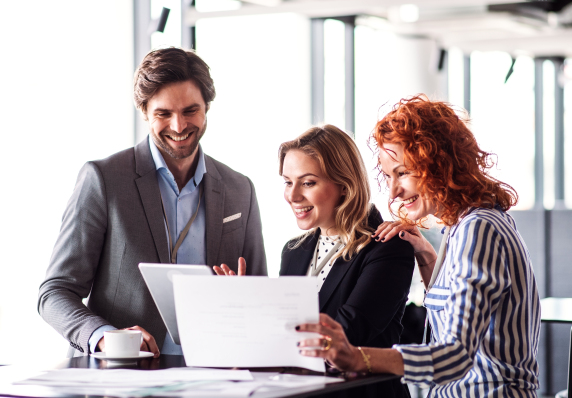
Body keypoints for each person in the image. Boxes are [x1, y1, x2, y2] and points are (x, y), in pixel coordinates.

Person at [296, 96, 541, 397]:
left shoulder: (479, 229)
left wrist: (357, 356)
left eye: (403, 172)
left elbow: (455, 354)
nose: (394, 191)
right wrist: (426, 255)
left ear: (439, 164)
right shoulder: (464, 226)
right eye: (388, 176)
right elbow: (454, 314)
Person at [38, 47, 267, 358]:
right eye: (163, 113)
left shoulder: (240, 189)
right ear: (144, 111)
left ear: (207, 108)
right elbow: (54, 293)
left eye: (190, 111)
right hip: (121, 376)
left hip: (215, 374)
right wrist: (106, 337)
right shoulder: (104, 179)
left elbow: (261, 296)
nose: (178, 126)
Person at [217, 125, 415, 398]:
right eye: (288, 182)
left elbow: (344, 336)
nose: (293, 195)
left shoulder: (386, 249)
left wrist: (264, 323)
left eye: (308, 182)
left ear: (344, 186)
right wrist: (249, 309)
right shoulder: (294, 251)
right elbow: (287, 332)